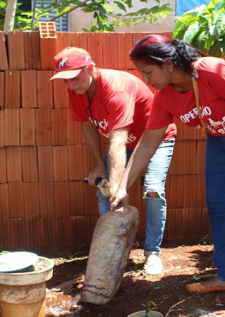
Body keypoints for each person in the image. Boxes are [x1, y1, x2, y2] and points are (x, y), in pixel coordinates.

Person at [110, 35, 225, 317]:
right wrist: (122, 186)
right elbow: (148, 142)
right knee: (217, 206)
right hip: (219, 141)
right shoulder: (165, 97)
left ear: (167, 64)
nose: (145, 79)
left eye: (148, 72)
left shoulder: (212, 71)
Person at [50, 46, 176, 275]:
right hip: (123, 143)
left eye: (75, 78)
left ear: (90, 68)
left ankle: (152, 253)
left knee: (153, 191)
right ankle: (113, 249)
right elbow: (87, 126)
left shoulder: (116, 89)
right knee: (105, 192)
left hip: (155, 139)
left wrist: (119, 186)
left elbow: (117, 140)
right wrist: (99, 165)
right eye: (65, 80)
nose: (71, 85)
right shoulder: (77, 90)